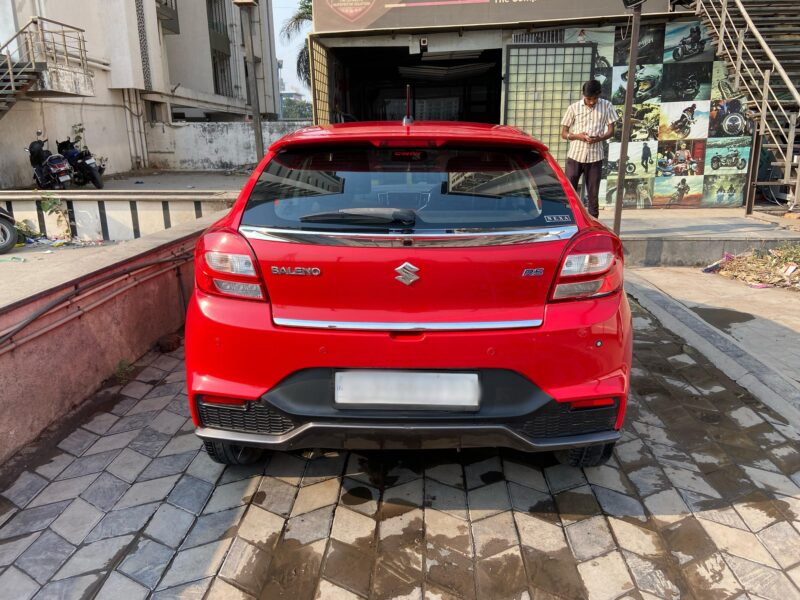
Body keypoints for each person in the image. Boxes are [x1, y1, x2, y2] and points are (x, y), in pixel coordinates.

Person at [560, 79, 617, 217]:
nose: (591, 102)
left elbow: (611, 131)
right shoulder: (573, 108)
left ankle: (593, 225)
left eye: (595, 98)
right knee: (569, 191)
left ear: (600, 94)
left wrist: (600, 138)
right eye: (588, 98)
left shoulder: (607, 106)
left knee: (593, 193)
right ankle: (568, 220)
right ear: (583, 95)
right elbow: (564, 134)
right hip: (575, 156)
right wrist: (577, 136)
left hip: (595, 157)